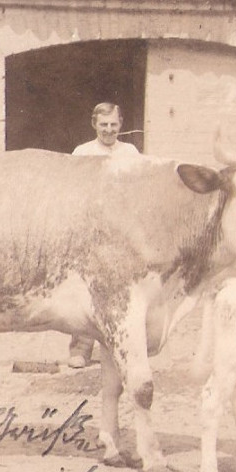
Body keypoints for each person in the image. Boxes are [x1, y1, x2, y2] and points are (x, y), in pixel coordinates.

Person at [65, 102, 140, 369]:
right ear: (94, 124)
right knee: (86, 289)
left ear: (120, 124)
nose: (109, 130)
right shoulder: (82, 152)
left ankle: (117, 349)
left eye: (114, 124)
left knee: (120, 290)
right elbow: (71, 190)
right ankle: (81, 349)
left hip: (120, 230)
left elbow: (136, 189)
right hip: (89, 229)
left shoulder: (130, 152)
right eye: (103, 125)